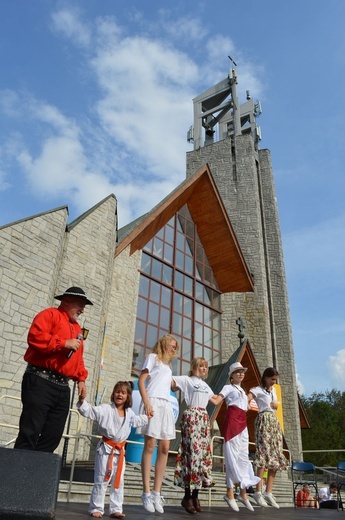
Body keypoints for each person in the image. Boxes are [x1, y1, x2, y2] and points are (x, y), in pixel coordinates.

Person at [14, 286, 92, 452]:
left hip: (63, 388)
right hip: (40, 381)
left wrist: (81, 380)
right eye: (80, 305)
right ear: (66, 301)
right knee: (30, 432)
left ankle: (37, 476)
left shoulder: (77, 328)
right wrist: (63, 343)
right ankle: (17, 476)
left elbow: (78, 358)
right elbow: (35, 337)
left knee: (53, 437)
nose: (82, 310)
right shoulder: (49, 315)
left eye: (84, 307)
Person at [77, 381, 150, 518]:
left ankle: (116, 508)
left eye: (123, 393)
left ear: (128, 396)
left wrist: (147, 416)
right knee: (102, 479)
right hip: (106, 449)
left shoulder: (129, 414)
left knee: (118, 480)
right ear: (113, 394)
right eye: (117, 392)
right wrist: (82, 401)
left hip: (120, 451)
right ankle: (96, 507)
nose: (120, 395)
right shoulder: (105, 409)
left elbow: (138, 421)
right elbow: (90, 411)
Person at [136, 334, 179, 514]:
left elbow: (169, 385)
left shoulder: (168, 366)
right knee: (150, 444)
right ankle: (146, 492)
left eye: (176, 347)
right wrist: (146, 403)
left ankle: (156, 492)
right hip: (152, 400)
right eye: (172, 345)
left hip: (166, 404)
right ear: (164, 344)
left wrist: (178, 385)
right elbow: (141, 381)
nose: (174, 349)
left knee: (165, 448)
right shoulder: (152, 357)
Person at [172, 357, 219, 514]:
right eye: (200, 366)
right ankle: (187, 496)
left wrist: (228, 390)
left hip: (203, 418)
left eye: (205, 366)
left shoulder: (206, 385)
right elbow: (171, 383)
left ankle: (195, 495)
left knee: (202, 456)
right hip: (192, 415)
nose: (203, 368)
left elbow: (215, 401)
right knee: (191, 454)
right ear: (193, 368)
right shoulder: (187, 380)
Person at [212, 362, 261, 512]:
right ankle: (229, 493)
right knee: (231, 457)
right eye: (237, 371)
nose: (241, 374)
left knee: (243, 458)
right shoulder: (228, 388)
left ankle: (243, 494)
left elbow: (246, 407)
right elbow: (216, 400)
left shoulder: (243, 390)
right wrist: (204, 390)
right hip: (232, 423)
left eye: (242, 371)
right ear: (232, 375)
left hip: (243, 424)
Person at [247, 367, 289, 509]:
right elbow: (248, 398)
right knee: (263, 455)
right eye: (272, 379)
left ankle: (268, 492)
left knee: (275, 456)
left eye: (275, 380)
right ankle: (258, 491)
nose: (273, 382)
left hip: (273, 421)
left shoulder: (274, 390)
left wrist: (274, 405)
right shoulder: (257, 389)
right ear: (265, 377)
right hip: (264, 419)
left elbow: (275, 405)